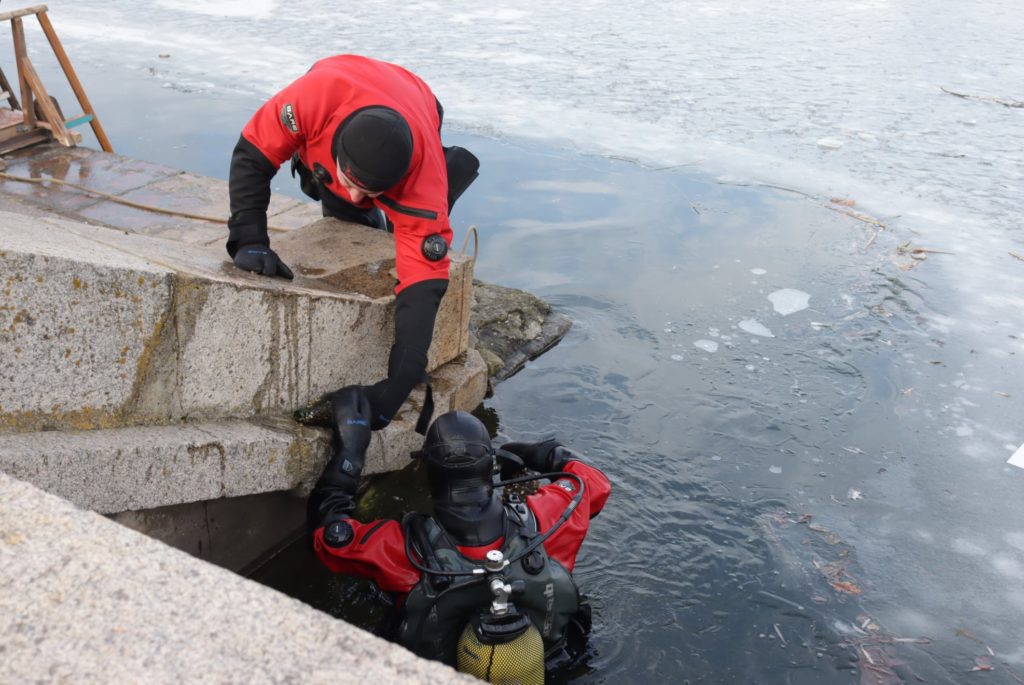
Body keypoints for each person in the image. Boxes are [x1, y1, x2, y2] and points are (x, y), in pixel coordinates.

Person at [227, 55, 479, 431]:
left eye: (370, 192)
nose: (359, 196)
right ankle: (336, 182)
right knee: (332, 193)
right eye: (353, 184)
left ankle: (448, 169)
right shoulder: (310, 101)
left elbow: (423, 288)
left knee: (408, 222)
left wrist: (395, 387)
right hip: (341, 77)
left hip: (418, 100)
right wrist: (249, 238)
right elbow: (252, 154)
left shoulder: (421, 187)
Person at [307, 387, 611, 681]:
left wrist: (350, 454)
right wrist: (538, 452)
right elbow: (594, 482)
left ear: (428, 473)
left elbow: (327, 536)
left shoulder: (400, 548)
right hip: (546, 667)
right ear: (488, 466)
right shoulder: (547, 519)